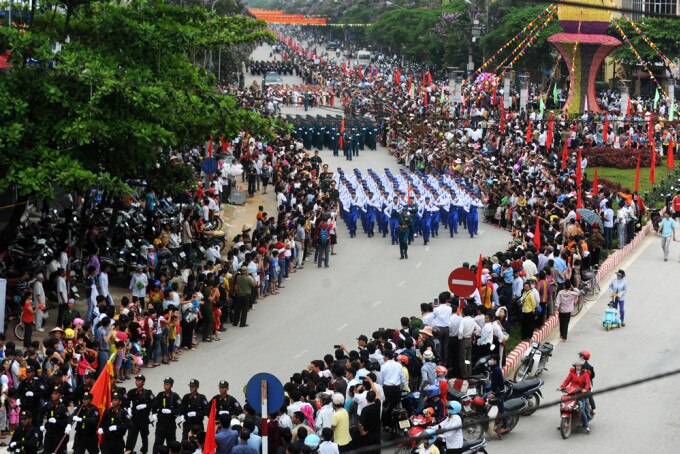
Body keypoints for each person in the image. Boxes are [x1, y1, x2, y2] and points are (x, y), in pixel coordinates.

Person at [558, 360, 592, 434]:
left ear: (582, 367)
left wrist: (585, 389)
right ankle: (562, 423)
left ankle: (586, 426)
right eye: (576, 366)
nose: (578, 367)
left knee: (581, 410)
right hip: (571, 392)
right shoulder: (572, 373)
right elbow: (566, 381)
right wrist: (562, 387)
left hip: (580, 394)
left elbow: (588, 383)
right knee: (563, 406)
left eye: (579, 366)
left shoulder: (585, 374)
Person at [152, 377, 182, 453]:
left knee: (171, 444)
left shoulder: (175, 396)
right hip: (161, 424)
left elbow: (181, 408)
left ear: (171, 386)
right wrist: (154, 414)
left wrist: (171, 411)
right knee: (158, 443)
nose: (165, 386)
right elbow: (154, 405)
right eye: (165, 384)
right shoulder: (160, 395)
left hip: (170, 424)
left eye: (167, 384)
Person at [126, 374, 154, 454]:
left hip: (144, 418)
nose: (137, 382)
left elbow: (155, 403)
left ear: (143, 382)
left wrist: (145, 405)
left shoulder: (148, 393)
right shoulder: (132, 392)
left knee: (144, 436)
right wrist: (128, 408)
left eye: (139, 380)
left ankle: (144, 450)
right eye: (136, 380)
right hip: (134, 418)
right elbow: (125, 401)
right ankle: (128, 451)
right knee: (131, 436)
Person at [41, 386, 70, 454]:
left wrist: (57, 421)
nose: (53, 395)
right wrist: (41, 424)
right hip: (49, 432)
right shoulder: (48, 405)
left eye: (56, 394)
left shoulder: (63, 407)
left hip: (59, 433)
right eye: (53, 393)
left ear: (60, 396)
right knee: (46, 451)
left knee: (58, 452)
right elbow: (40, 413)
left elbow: (67, 421)